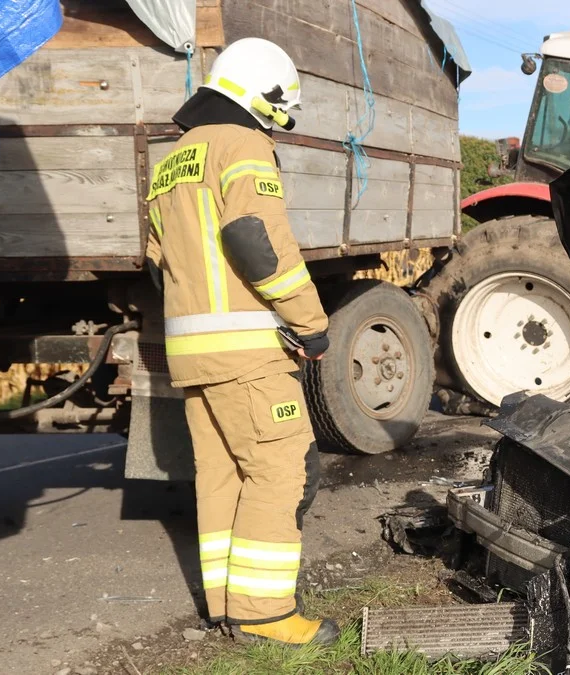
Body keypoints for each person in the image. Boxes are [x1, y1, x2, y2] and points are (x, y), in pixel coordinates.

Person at [144, 37, 337, 646]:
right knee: (278, 472)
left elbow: (156, 262)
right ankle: (266, 615)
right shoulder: (244, 143)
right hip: (248, 353)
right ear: (267, 96)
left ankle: (225, 607)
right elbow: (256, 240)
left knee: (223, 475)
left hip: (193, 354)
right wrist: (310, 321)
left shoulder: (172, 157)